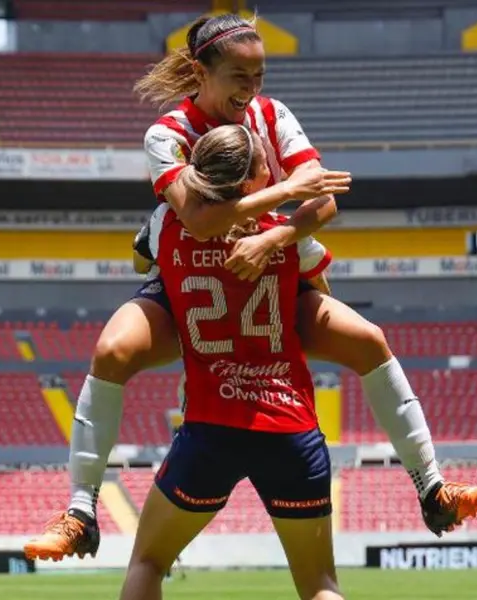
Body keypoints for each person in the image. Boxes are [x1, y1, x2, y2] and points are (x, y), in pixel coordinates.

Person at [25, 12, 477, 562]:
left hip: (272, 281)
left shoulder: (273, 116)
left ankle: (432, 487)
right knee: (112, 350)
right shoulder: (167, 133)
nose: (252, 90)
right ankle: (81, 511)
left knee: (368, 340)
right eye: (239, 76)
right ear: (201, 72)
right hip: (192, 281)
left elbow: (322, 201)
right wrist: (281, 197)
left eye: (258, 76)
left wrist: (270, 242)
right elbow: (199, 219)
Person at [120, 124, 344, 599]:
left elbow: (141, 264)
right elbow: (320, 309)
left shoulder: (166, 227)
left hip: (211, 427)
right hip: (290, 424)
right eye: (267, 161)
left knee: (148, 562)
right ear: (254, 179)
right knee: (319, 585)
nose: (274, 166)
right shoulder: (286, 237)